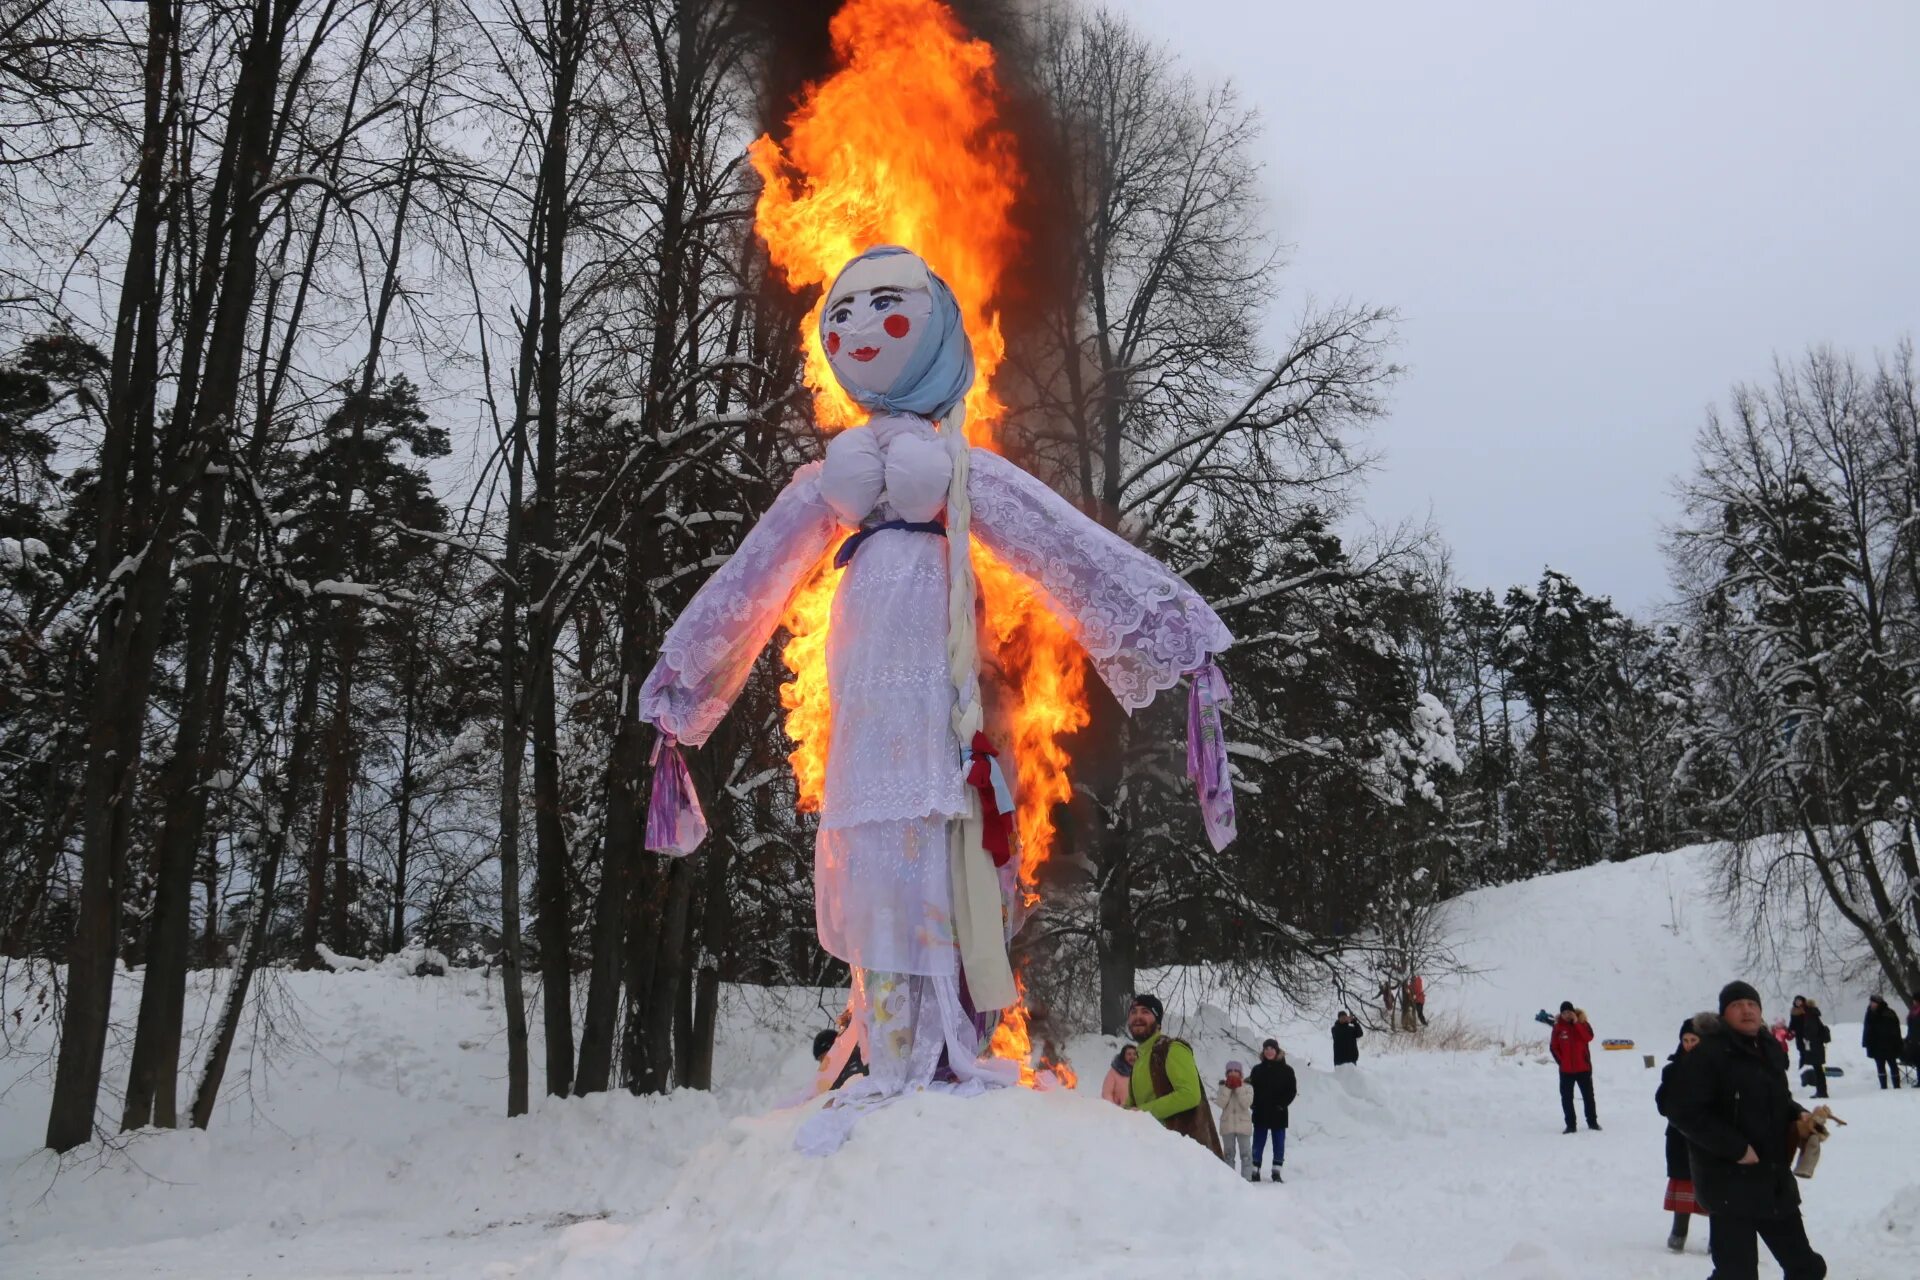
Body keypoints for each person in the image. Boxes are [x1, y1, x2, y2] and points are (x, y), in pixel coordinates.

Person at [638, 246, 1234, 1133]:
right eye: (840, 314)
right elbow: (752, 576)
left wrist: (1173, 626)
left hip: (940, 699)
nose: (856, 328)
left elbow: (1060, 543)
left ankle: (953, 1045)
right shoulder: (829, 479)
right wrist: (681, 682)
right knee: (871, 862)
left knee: (945, 864)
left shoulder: (960, 464)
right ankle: (887, 1050)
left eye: (885, 308)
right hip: (862, 701)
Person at [1667, 980, 1828, 1280]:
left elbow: (1778, 1099)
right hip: (1729, 1185)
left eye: (1752, 1004)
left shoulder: (1768, 1049)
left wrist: (1800, 1115)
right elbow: (1682, 1110)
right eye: (1737, 1005)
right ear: (1723, 1014)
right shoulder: (1709, 1053)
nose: (1746, 1010)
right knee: (1737, 1275)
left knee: (1806, 1268)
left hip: (1773, 1181)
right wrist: (1735, 1148)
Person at [1124, 994, 1222, 1156]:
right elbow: (1131, 1105)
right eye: (1133, 1012)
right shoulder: (1140, 1060)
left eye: (1145, 1012)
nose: (1138, 1017)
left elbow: (1190, 1094)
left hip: (1183, 1154)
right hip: (1149, 1151)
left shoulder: (1172, 1049)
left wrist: (1142, 1112)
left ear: (1158, 1021)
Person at [1655, 1014, 1713, 1252]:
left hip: (1708, 1136)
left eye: (1694, 1040)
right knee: (1683, 1181)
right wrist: (1672, 1109)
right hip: (1679, 1135)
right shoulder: (1672, 1069)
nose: (1689, 1044)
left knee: (1711, 1187)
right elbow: (1662, 1101)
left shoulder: (1715, 1068)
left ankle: (1717, 1237)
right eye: (1686, 1040)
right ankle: (1679, 1231)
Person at [1247, 1038, 1296, 1183]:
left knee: (1278, 1143)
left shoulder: (1287, 1070)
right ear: (1263, 1051)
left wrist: (1282, 1104)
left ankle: (1276, 1172)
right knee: (1258, 1142)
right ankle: (1255, 1171)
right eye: (1266, 1049)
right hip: (1260, 1112)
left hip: (1278, 1113)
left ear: (1277, 1050)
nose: (1269, 1051)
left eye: (1271, 1049)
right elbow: (1250, 1089)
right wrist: (1252, 1103)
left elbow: (1291, 1091)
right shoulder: (1257, 1069)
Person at [1550, 1000, 1600, 1133]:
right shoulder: (1558, 1028)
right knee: (1566, 1098)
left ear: (1573, 1012)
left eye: (1569, 1012)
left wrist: (1577, 1023)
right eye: (1564, 1013)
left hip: (1583, 1068)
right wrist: (1562, 1062)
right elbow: (1554, 1047)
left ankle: (1592, 1122)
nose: (1566, 1015)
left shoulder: (1583, 1024)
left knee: (1588, 1096)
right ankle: (1571, 1125)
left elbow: (1588, 1037)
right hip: (1566, 1071)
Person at [1214, 1060, 1255, 1180]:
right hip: (1227, 1125)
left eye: (1236, 1071)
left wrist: (1238, 1088)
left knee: (1246, 1154)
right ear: (1226, 1074)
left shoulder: (1248, 1087)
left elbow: (1246, 1103)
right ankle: (1230, 1180)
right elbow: (1221, 1104)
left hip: (1243, 1125)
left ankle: (1247, 1180)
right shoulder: (1222, 1087)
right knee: (1228, 1155)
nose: (1233, 1073)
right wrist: (1227, 1088)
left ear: (1240, 1074)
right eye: (1230, 1071)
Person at [1788, 997, 1830, 1098]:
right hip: (1808, 1044)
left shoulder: (1810, 1014)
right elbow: (1793, 1027)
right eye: (1796, 1001)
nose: (1798, 1003)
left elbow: (1812, 1029)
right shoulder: (1801, 1014)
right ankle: (1820, 1090)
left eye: (1800, 1001)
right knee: (1816, 1067)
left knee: (1817, 1067)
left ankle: (1821, 1091)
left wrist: (1807, 1038)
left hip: (1813, 1044)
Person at [1862, 995, 1904, 1090]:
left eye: (1874, 1002)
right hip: (1876, 1045)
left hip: (1889, 1044)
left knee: (1892, 1064)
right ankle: (1883, 1086)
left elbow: (1895, 1029)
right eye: (1871, 1002)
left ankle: (1897, 1086)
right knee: (1880, 1066)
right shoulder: (1869, 1013)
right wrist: (1866, 1042)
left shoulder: (1889, 1013)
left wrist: (1896, 1042)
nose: (1872, 1004)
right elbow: (1867, 1029)